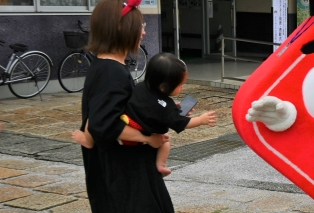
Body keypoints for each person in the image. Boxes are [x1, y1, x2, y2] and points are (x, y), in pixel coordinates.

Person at [76, 0, 180, 213]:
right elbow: (106, 124)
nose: (144, 29)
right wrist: (149, 141)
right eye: (140, 25)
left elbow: (94, 122)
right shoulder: (113, 73)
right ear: (123, 31)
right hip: (127, 169)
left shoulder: (101, 68)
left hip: (107, 167)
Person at [74, 53, 217, 176]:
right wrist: (200, 120)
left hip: (124, 123)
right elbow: (181, 122)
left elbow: (153, 105)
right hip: (139, 136)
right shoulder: (166, 106)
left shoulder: (141, 87)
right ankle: (161, 165)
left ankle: (88, 139)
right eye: (180, 85)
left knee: (94, 115)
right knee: (165, 141)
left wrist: (174, 108)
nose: (182, 87)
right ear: (165, 87)